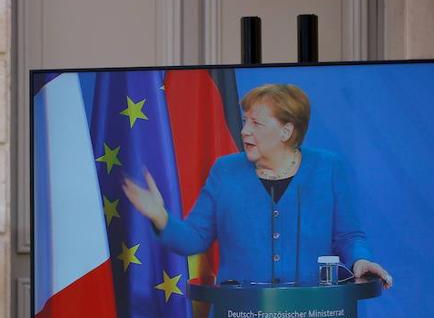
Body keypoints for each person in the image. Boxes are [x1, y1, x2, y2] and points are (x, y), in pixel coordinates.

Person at [122, 83, 393, 289]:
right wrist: (160, 216)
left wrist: (361, 260)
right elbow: (194, 237)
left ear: (286, 131)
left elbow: (348, 236)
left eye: (256, 123)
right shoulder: (225, 171)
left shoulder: (328, 168)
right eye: (244, 121)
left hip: (312, 316)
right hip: (240, 317)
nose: (244, 131)